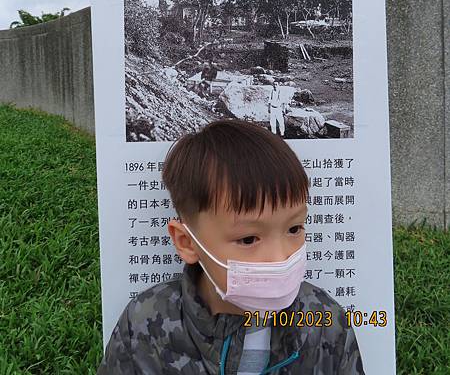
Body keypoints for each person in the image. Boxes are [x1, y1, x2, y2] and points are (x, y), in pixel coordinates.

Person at [97, 120, 365, 374]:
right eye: (248, 239)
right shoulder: (146, 324)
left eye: (294, 229)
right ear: (187, 242)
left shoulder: (325, 321)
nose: (280, 257)